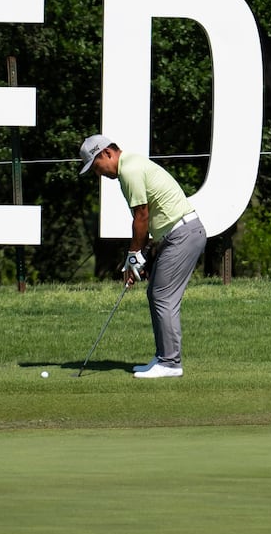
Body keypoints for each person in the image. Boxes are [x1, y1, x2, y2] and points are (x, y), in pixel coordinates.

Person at [78, 134, 205, 378]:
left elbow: (142, 217)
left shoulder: (130, 170)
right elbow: (147, 222)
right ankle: (163, 357)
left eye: (96, 166)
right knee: (156, 293)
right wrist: (141, 255)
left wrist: (134, 255)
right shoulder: (131, 166)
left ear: (106, 153)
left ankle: (170, 363)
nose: (99, 173)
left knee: (161, 295)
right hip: (178, 234)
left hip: (183, 233)